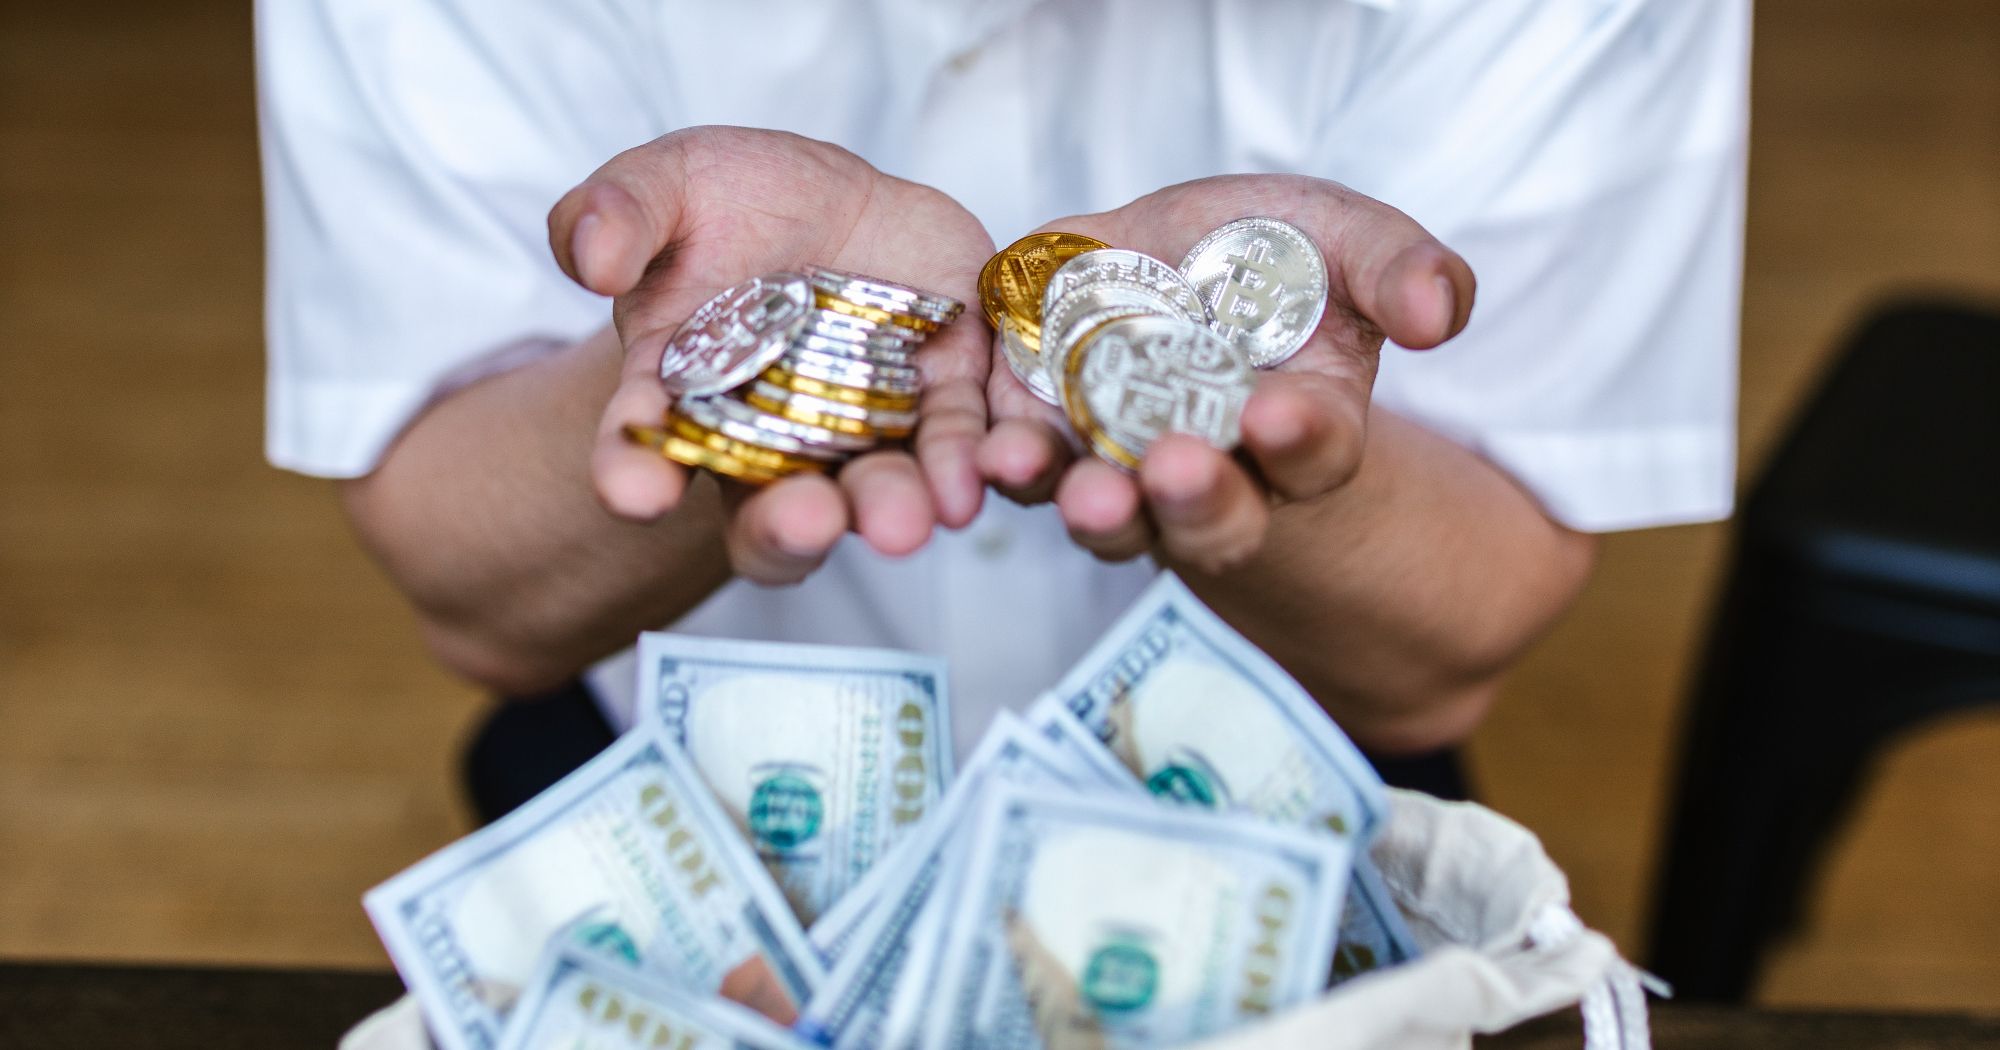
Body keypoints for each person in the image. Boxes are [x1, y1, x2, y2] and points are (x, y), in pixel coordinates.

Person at [255, 0, 1748, 814]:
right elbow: (477, 602)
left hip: (1292, 786)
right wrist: (688, 386)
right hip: (653, 781)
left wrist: (1277, 483)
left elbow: (1448, 653)